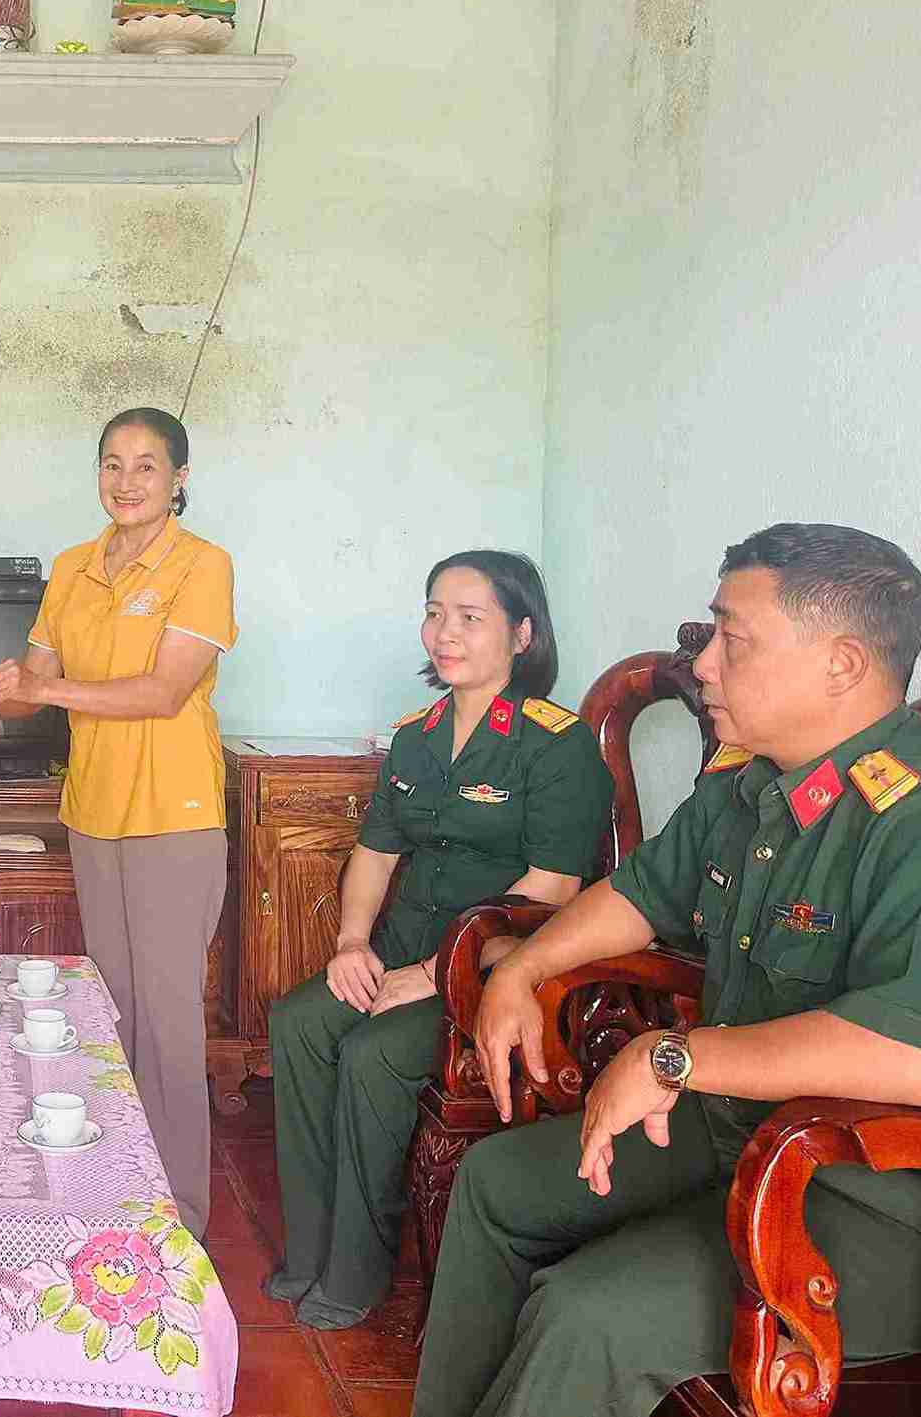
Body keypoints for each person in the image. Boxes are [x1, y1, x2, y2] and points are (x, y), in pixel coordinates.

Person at [413, 523, 921, 1417]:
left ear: (841, 663)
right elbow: (638, 893)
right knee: (495, 1183)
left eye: (730, 639)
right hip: (731, 1127)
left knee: (589, 1313)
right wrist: (522, 970)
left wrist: (673, 1056)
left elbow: (913, 1061)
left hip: (901, 1201)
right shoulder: (750, 784)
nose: (700, 663)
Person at [264, 551, 613, 1328]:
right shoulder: (416, 738)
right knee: (298, 1021)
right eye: (433, 612)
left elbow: (551, 891)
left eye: (469, 616)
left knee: (373, 1049)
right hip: (398, 948)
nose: (443, 633)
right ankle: (311, 1248)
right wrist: (352, 942)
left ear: (522, 633)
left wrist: (430, 974)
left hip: (492, 969)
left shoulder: (555, 744)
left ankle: (355, 1271)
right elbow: (375, 851)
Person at [0, 406, 236, 1237]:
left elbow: (163, 690)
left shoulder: (201, 564)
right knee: (112, 1011)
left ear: (179, 478)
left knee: (169, 1020)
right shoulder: (71, 567)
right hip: (95, 811)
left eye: (147, 465)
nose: (127, 480)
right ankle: (118, 1186)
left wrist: (41, 690)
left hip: (172, 813)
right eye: (112, 463)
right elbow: (30, 677)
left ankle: (176, 1219)